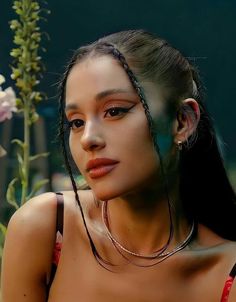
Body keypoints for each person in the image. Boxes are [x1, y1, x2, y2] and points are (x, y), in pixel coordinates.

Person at [1, 29, 236, 302]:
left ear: (182, 121)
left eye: (115, 111)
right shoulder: (46, 230)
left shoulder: (226, 274)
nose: (88, 138)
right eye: (76, 122)